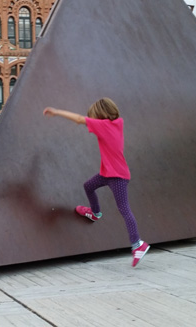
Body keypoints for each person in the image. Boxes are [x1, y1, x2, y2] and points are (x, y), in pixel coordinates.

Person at [43, 97, 150, 267]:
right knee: (88, 186)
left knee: (124, 209)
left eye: (93, 117)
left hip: (118, 176)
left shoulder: (103, 126)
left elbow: (79, 120)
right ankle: (95, 213)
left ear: (99, 116)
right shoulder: (118, 123)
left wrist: (56, 112)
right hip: (107, 173)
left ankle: (138, 244)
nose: (91, 122)